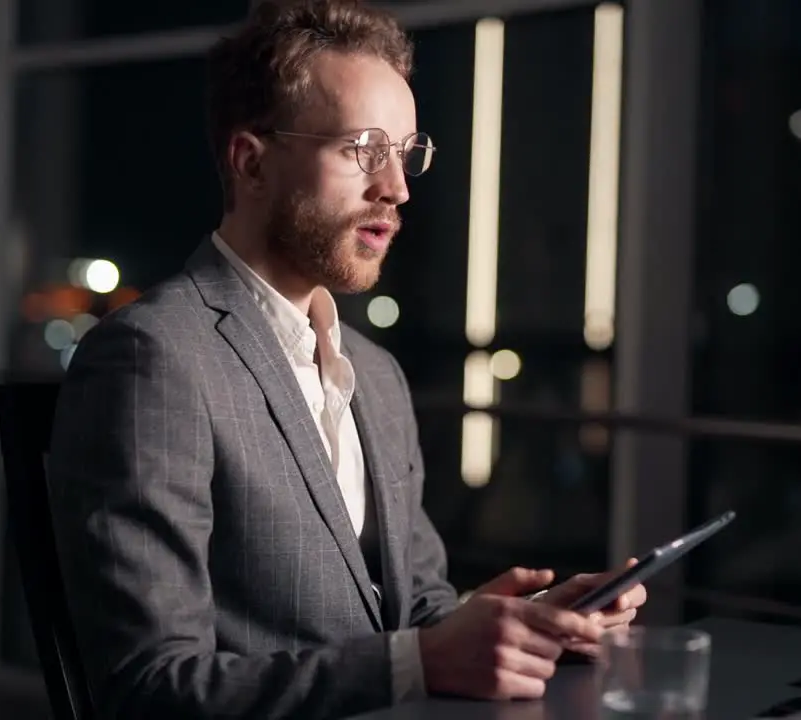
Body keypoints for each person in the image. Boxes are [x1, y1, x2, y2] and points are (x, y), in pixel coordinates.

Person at [46, 1, 648, 718]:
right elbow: (146, 689)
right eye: (363, 149)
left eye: (405, 152)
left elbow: (408, 610)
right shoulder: (153, 360)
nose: (396, 187)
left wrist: (527, 624)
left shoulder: (376, 376)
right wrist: (418, 662)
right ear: (251, 161)